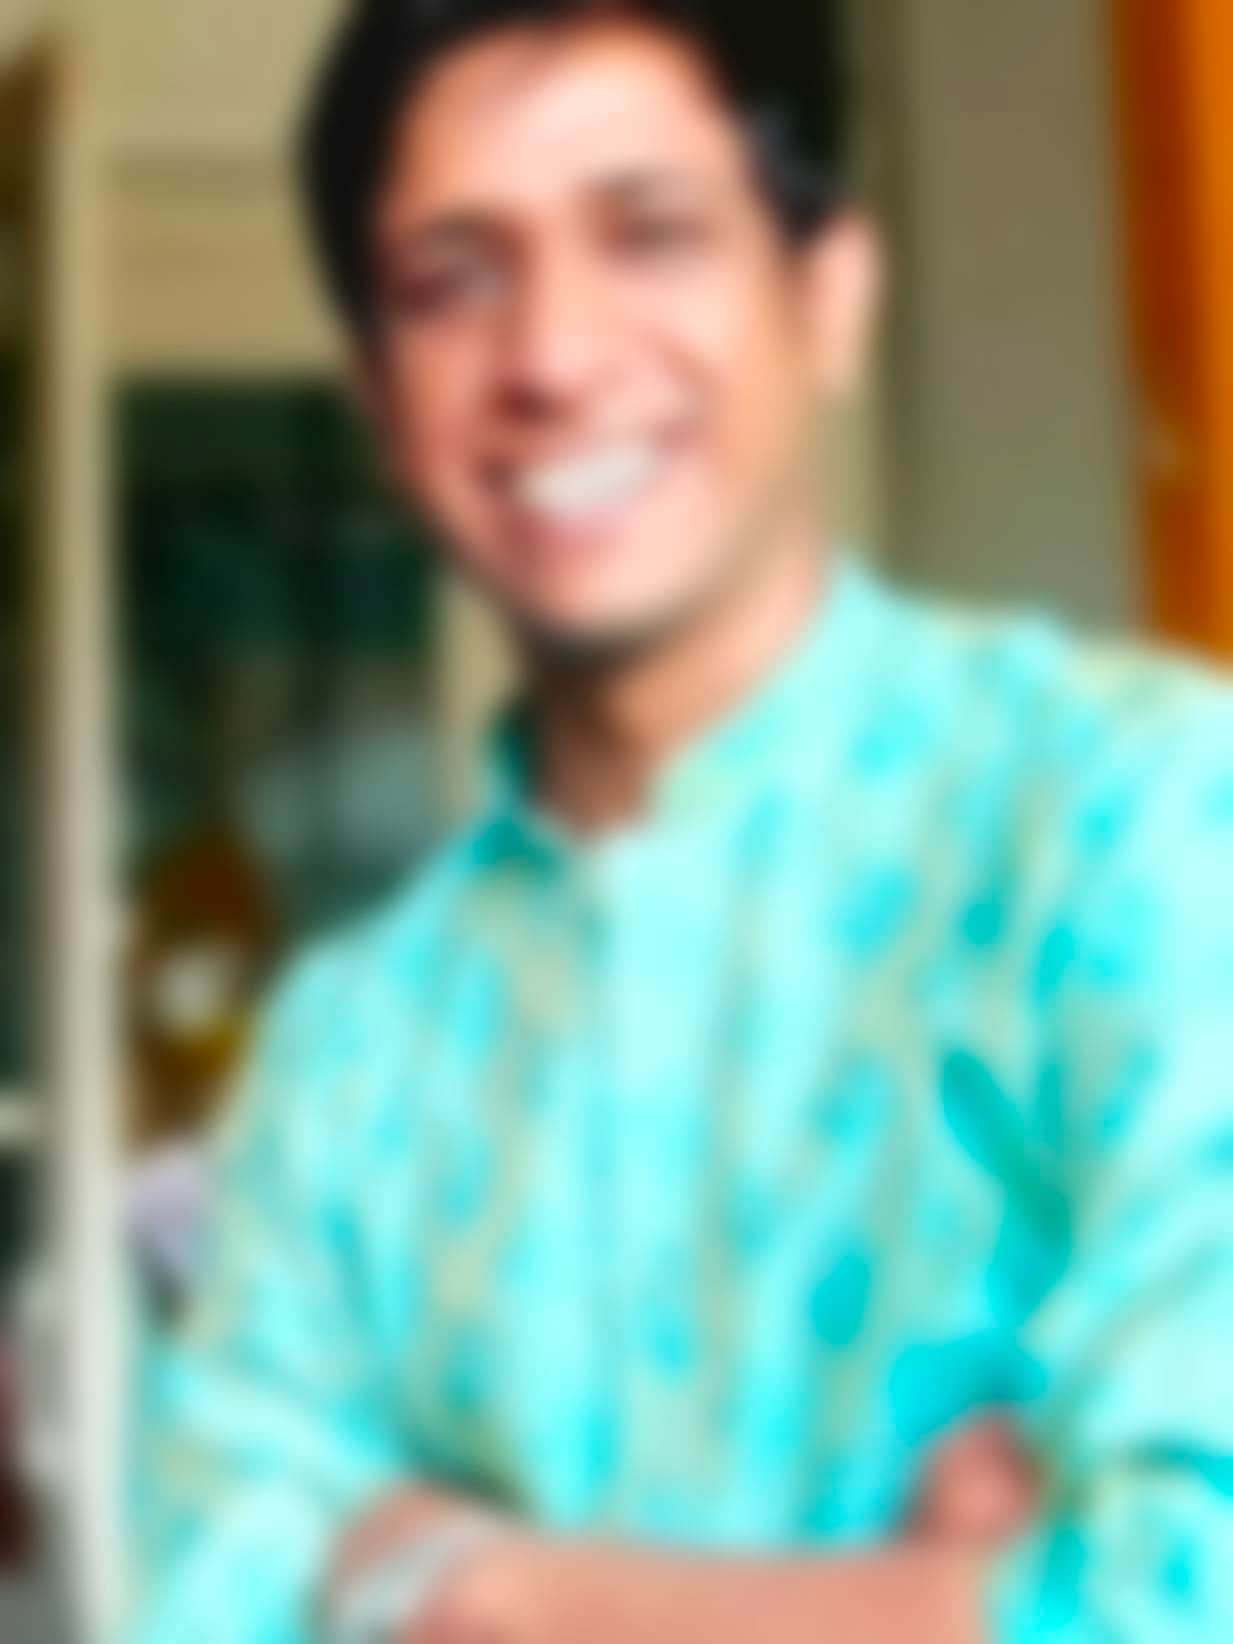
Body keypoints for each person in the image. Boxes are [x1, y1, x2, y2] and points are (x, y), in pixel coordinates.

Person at [126, 3, 1233, 1640]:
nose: (554, 357)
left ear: (827, 297)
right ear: (377, 403)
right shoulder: (341, 1070)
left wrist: (472, 1583)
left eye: (648, 234)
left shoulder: (1139, 823)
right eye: (453, 280)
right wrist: (933, 1598)